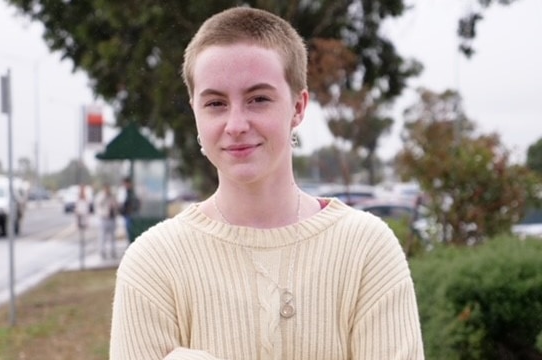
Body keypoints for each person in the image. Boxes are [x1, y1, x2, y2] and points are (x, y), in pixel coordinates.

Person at [110, 7, 424, 360]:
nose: (236, 124)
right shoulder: (153, 263)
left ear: (298, 107)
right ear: (195, 112)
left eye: (258, 99)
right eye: (215, 103)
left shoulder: (366, 249)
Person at [96, 184, 118, 259]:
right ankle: (102, 251)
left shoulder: (112, 196)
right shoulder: (101, 196)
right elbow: (98, 205)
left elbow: (116, 205)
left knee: (112, 237)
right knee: (102, 237)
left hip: (112, 218)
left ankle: (113, 251)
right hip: (104, 218)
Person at [118, 177, 139, 243]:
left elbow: (135, 203)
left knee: (131, 231)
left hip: (131, 215)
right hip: (127, 215)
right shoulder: (124, 192)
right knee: (128, 231)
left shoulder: (132, 192)